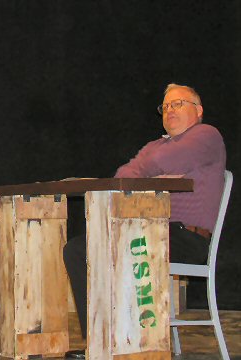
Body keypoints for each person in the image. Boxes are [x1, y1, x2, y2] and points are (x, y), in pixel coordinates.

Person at [63, 84, 226, 359]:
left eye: (178, 104)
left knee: (126, 248)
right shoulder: (156, 144)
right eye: (166, 106)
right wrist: (159, 171)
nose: (170, 110)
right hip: (147, 232)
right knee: (79, 250)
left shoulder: (207, 135)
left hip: (187, 237)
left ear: (198, 111)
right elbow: (123, 174)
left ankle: (135, 343)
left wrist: (152, 166)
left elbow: (165, 158)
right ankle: (100, 340)